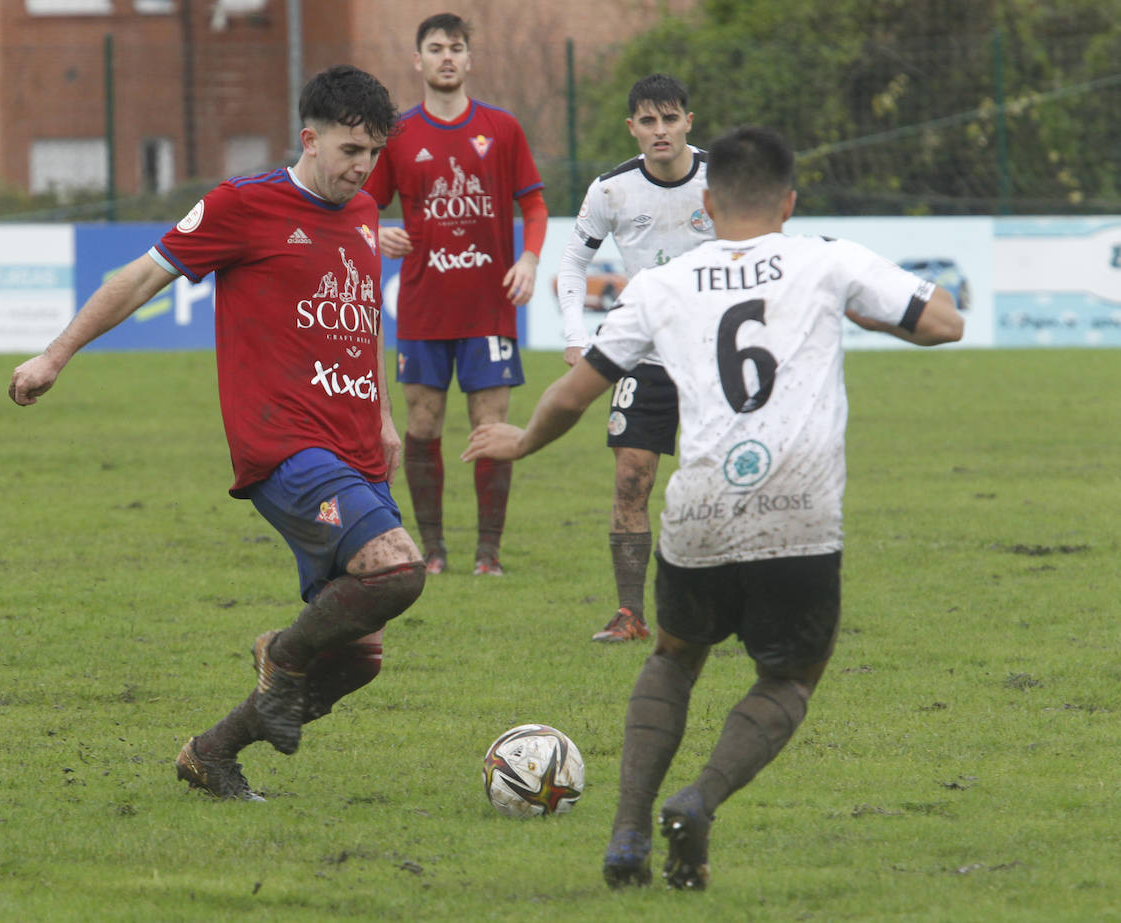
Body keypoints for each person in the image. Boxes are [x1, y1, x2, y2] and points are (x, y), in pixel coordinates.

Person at [463, 126, 963, 889]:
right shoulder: (826, 257)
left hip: (699, 504)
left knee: (674, 655)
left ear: (707, 200)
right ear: (790, 201)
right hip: (799, 506)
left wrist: (522, 440)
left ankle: (627, 831)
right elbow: (943, 322)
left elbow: (577, 389)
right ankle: (700, 798)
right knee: (791, 675)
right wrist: (859, 312)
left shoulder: (664, 284)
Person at [8, 65, 426, 801]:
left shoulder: (362, 213)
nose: (362, 167)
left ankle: (212, 751)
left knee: (357, 658)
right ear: (310, 137)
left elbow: (365, 318)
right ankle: (278, 653)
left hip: (356, 448)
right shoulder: (245, 204)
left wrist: (384, 414)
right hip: (287, 448)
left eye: (372, 153)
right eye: (350, 150)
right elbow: (139, 278)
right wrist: (56, 352)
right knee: (397, 570)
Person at [363, 11, 548, 577]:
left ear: (470, 59)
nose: (448, 57)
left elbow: (534, 205)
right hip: (422, 309)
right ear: (418, 60)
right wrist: (375, 231)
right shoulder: (398, 133)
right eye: (437, 48)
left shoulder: (503, 128)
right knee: (422, 427)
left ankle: (488, 554)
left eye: (457, 48)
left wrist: (529, 258)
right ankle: (435, 551)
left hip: (490, 308)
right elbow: (361, 204)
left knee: (489, 426)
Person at [556, 74, 713, 643]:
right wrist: (576, 336)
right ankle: (630, 615)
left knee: (718, 482)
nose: (660, 130)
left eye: (670, 119)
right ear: (633, 128)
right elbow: (573, 264)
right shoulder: (611, 190)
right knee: (630, 479)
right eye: (648, 121)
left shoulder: (721, 180)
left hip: (712, 361)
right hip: (642, 356)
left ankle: (730, 608)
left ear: (688, 122)